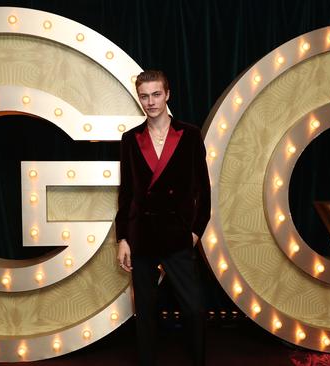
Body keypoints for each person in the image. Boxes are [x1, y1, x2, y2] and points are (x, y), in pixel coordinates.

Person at [115, 69, 211, 366]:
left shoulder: (190, 134)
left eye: (156, 94)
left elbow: (203, 190)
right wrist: (122, 238)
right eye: (144, 96)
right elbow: (127, 192)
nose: (150, 101)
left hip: (177, 234)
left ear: (167, 95)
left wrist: (195, 231)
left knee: (194, 309)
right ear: (139, 98)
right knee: (145, 311)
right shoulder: (131, 139)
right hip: (141, 234)